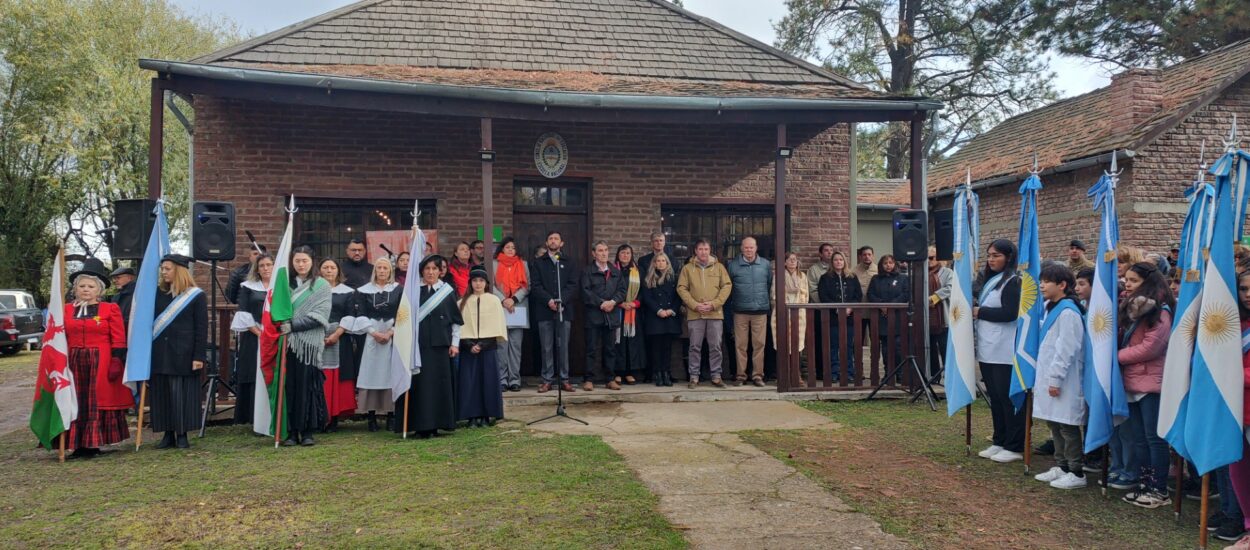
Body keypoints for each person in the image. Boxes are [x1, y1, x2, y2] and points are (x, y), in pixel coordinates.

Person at [1118, 261, 1175, 509]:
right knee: (1139, 438)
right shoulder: (1130, 308)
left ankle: (1159, 488)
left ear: (1148, 283)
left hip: (1152, 382)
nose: (1127, 284)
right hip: (1132, 380)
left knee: (1154, 439)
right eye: (1127, 279)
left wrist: (1117, 358)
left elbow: (1152, 347)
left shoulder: (1160, 311)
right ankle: (1144, 484)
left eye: (1134, 281)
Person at [62, 265, 131, 457]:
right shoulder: (66, 310)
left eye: (91, 287)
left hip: (100, 361)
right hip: (73, 361)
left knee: (95, 401)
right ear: (75, 289)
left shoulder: (110, 309)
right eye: (82, 286)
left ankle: (93, 443)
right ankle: (75, 443)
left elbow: (118, 336)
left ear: (99, 290)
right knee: (75, 399)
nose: (86, 289)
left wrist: (117, 359)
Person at [1030, 264, 1088, 490]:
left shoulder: (1068, 312)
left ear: (1062, 285)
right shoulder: (1052, 308)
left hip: (1065, 379)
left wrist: (1055, 378)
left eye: (1047, 281)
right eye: (1041, 280)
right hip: (1050, 375)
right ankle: (1062, 465)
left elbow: (1067, 348)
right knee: (1054, 422)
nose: (1042, 285)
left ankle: (1076, 470)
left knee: (1067, 424)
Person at [399, 255, 463, 438]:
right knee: (420, 387)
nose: (431, 272)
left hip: (440, 346)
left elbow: (455, 321)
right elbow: (403, 318)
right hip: (417, 347)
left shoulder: (447, 291)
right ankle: (420, 425)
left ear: (440, 271)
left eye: (434, 269)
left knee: (438, 387)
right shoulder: (413, 291)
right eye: (427, 269)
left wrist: (455, 344)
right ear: (422, 271)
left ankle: (437, 424)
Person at [973, 239, 1024, 463]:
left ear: (1009, 257)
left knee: (1006, 397)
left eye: (996, 255)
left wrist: (980, 312)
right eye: (989, 255)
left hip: (1004, 349)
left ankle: (1014, 444)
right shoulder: (992, 281)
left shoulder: (1012, 282)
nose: (991, 259)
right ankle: (999, 439)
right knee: (994, 396)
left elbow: (1009, 313)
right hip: (988, 348)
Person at [149, 254, 207, 450]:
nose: (163, 272)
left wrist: (199, 356)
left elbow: (201, 328)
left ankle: (182, 434)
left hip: (183, 353)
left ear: (179, 270)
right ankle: (167, 433)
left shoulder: (196, 295)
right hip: (161, 352)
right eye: (162, 269)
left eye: (167, 268)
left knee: (181, 394)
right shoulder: (158, 294)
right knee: (162, 393)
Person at [278, 246, 332, 446]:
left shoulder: (321, 285)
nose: (301, 265)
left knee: (308, 387)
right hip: (287, 344)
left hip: (308, 345)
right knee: (290, 387)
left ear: (312, 262)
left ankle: (308, 431)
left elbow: (321, 315)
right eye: (297, 261)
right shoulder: (285, 285)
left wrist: (292, 325)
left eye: (304, 261)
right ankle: (291, 431)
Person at [677, 239, 732, 388]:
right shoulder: (687, 269)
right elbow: (681, 288)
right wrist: (695, 305)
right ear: (695, 251)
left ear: (710, 250)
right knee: (695, 346)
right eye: (700, 249)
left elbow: (726, 286)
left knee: (715, 346)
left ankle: (716, 376)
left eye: (706, 249)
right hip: (696, 314)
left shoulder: (719, 267)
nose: (703, 252)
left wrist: (714, 304)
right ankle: (694, 376)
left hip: (714, 314)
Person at [355, 257, 401, 432]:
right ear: (375, 271)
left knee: (390, 375)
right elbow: (360, 313)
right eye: (379, 268)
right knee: (371, 375)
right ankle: (371, 416)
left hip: (391, 336)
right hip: (371, 337)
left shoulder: (398, 290)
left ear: (390, 271)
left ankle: (391, 415)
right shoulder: (364, 291)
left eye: (385, 268)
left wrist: (390, 332)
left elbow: (402, 313)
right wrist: (373, 332)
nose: (382, 271)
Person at [530, 231, 579, 393]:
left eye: (556, 238)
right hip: (544, 310)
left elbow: (573, 285)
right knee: (546, 347)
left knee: (563, 346)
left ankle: (564, 379)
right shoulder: (538, 263)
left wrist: (560, 301)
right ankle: (547, 379)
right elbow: (535, 286)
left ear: (561, 243)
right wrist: (549, 301)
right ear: (546, 242)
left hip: (564, 310)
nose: (553, 241)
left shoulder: (569, 262)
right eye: (550, 238)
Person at [457, 266, 506, 427]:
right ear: (470, 283)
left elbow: (497, 325)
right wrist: (469, 344)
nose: (478, 284)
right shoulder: (462, 303)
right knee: (470, 382)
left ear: (486, 283)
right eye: (475, 281)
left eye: (481, 281)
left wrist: (482, 345)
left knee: (487, 381)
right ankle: (471, 415)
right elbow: (459, 327)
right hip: (468, 348)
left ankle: (486, 414)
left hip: (488, 347)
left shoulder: (494, 301)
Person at [230, 253, 273, 425]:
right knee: (254, 373)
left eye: (269, 265)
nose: (266, 268)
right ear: (257, 269)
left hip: (275, 337)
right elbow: (243, 312)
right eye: (262, 265)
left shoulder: (282, 287)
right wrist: (260, 333)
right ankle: (254, 417)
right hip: (254, 337)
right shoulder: (248, 287)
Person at [1225, 270, 1250, 547]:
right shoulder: (1235, 324)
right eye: (1243, 288)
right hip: (1234, 412)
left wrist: (1231, 374)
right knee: (1239, 474)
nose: (1248, 294)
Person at [727, 236, 772, 387]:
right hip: (740, 311)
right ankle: (741, 376)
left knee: (759, 345)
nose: (749, 250)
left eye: (751, 247)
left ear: (756, 248)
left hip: (760, 311)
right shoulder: (733, 265)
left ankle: (758, 375)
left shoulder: (765, 265)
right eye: (746, 247)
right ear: (741, 248)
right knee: (741, 345)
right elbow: (729, 287)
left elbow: (769, 284)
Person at [581, 241, 625, 391]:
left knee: (610, 349)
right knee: (591, 349)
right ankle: (588, 379)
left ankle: (610, 379)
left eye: (606, 250)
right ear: (594, 253)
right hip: (593, 315)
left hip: (611, 315)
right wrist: (601, 303)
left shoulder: (615, 271)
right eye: (600, 250)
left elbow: (622, 291)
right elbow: (585, 292)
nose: (604, 253)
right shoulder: (587, 271)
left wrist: (613, 302)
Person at [320, 259, 358, 431]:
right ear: (320, 271)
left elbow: (351, 315)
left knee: (337, 377)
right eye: (325, 268)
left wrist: (336, 334)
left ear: (338, 271)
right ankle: (320, 416)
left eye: (332, 267)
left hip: (340, 339)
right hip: (317, 337)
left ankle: (334, 417)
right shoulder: (314, 290)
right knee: (321, 378)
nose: (329, 271)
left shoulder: (347, 292)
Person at [817, 251, 862, 383]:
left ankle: (848, 372)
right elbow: (823, 296)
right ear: (832, 262)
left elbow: (857, 295)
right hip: (832, 317)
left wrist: (849, 308)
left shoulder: (852, 277)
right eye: (836, 260)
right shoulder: (825, 278)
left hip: (849, 317)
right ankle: (834, 372)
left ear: (844, 262)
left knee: (848, 345)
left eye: (841, 260)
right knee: (834, 346)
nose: (838, 262)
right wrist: (836, 308)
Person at [491, 237, 529, 392]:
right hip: (500, 308)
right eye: (507, 247)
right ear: (502, 249)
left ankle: (514, 379)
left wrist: (513, 299)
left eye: (513, 248)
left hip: (517, 308)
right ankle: (502, 379)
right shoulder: (494, 264)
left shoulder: (523, 264)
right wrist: (503, 300)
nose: (511, 250)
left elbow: (528, 286)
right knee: (501, 346)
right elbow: (490, 285)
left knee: (515, 346)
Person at [640, 252, 680, 387]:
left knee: (667, 348)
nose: (661, 263)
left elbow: (678, 297)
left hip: (669, 317)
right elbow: (647, 298)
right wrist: (659, 310)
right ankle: (658, 374)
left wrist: (671, 310)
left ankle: (666, 373)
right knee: (656, 348)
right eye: (658, 261)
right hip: (655, 318)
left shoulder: (674, 279)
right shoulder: (649, 279)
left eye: (664, 260)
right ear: (654, 263)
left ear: (667, 263)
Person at [867, 254, 909, 369]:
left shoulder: (903, 278)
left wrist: (891, 306)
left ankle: (900, 372)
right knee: (886, 348)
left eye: (890, 262)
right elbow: (870, 294)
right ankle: (888, 372)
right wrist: (882, 305)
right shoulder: (876, 279)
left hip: (898, 317)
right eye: (885, 263)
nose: (888, 265)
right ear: (881, 265)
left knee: (898, 347)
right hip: (882, 318)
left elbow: (905, 294)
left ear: (895, 264)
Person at [770, 251, 807, 380]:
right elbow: (774, 295)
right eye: (789, 259)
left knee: (797, 344)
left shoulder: (802, 276)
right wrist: (788, 293)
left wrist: (797, 293)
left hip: (798, 314)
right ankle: (783, 374)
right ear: (784, 262)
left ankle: (796, 374)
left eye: (795, 259)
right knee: (782, 343)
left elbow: (806, 295)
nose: (792, 261)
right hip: (782, 313)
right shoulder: (778, 276)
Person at [614, 243, 645, 386]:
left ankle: (630, 372)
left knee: (631, 342)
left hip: (633, 311)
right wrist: (619, 303)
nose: (625, 256)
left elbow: (644, 291)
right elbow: (609, 290)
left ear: (631, 255)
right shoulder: (612, 270)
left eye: (628, 253)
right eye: (622, 253)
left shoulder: (638, 271)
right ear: (618, 255)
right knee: (618, 341)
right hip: (617, 311)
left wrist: (635, 303)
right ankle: (618, 372)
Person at [927, 246, 954, 381]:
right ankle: (935, 376)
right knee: (930, 348)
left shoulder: (947, 272)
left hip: (943, 317)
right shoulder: (922, 273)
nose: (929, 261)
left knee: (945, 348)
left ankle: (949, 376)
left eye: (931, 258)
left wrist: (933, 298)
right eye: (926, 258)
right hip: (927, 318)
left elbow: (950, 287)